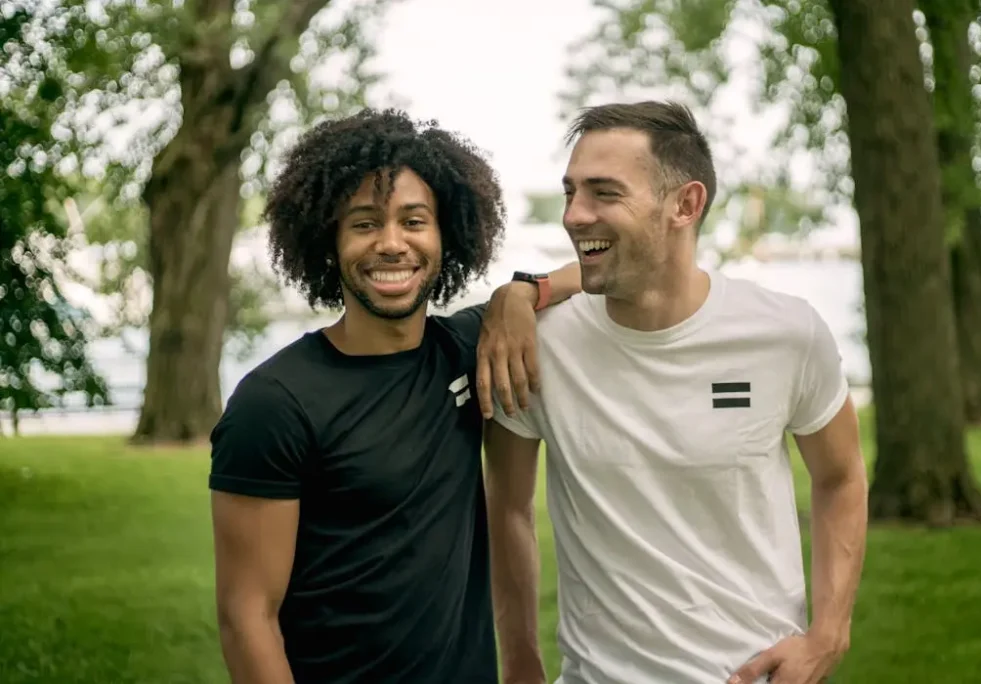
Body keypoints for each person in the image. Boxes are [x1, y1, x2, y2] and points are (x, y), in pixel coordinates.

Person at [483, 100, 869, 684]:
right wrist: (519, 665)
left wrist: (829, 633)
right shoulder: (537, 346)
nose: (575, 215)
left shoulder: (786, 333)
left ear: (685, 205)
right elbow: (507, 508)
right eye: (570, 192)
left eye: (604, 193)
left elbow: (841, 477)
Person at [207, 108, 580, 684]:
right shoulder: (275, 403)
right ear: (328, 243)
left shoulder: (467, 349)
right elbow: (246, 616)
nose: (391, 244)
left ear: (445, 235)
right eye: (363, 224)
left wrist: (520, 291)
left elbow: (595, 271)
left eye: (413, 221)